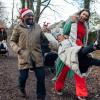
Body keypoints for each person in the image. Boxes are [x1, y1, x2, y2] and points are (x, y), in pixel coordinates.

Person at [53, 9, 100, 100]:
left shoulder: (85, 26)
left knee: (79, 70)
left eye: (86, 16)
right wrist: (72, 22)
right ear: (80, 14)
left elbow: (84, 39)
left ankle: (81, 93)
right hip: (68, 48)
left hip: (79, 48)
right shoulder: (72, 19)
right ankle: (58, 87)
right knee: (63, 71)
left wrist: (83, 47)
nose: (84, 17)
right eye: (83, 14)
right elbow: (65, 32)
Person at [10, 8, 46, 100]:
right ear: (23, 17)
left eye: (32, 15)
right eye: (28, 15)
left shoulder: (38, 26)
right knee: (23, 77)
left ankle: (41, 96)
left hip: (37, 56)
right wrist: (18, 50)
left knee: (41, 78)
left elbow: (44, 39)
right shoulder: (18, 27)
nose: (31, 17)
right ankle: (21, 88)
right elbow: (12, 41)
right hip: (24, 56)